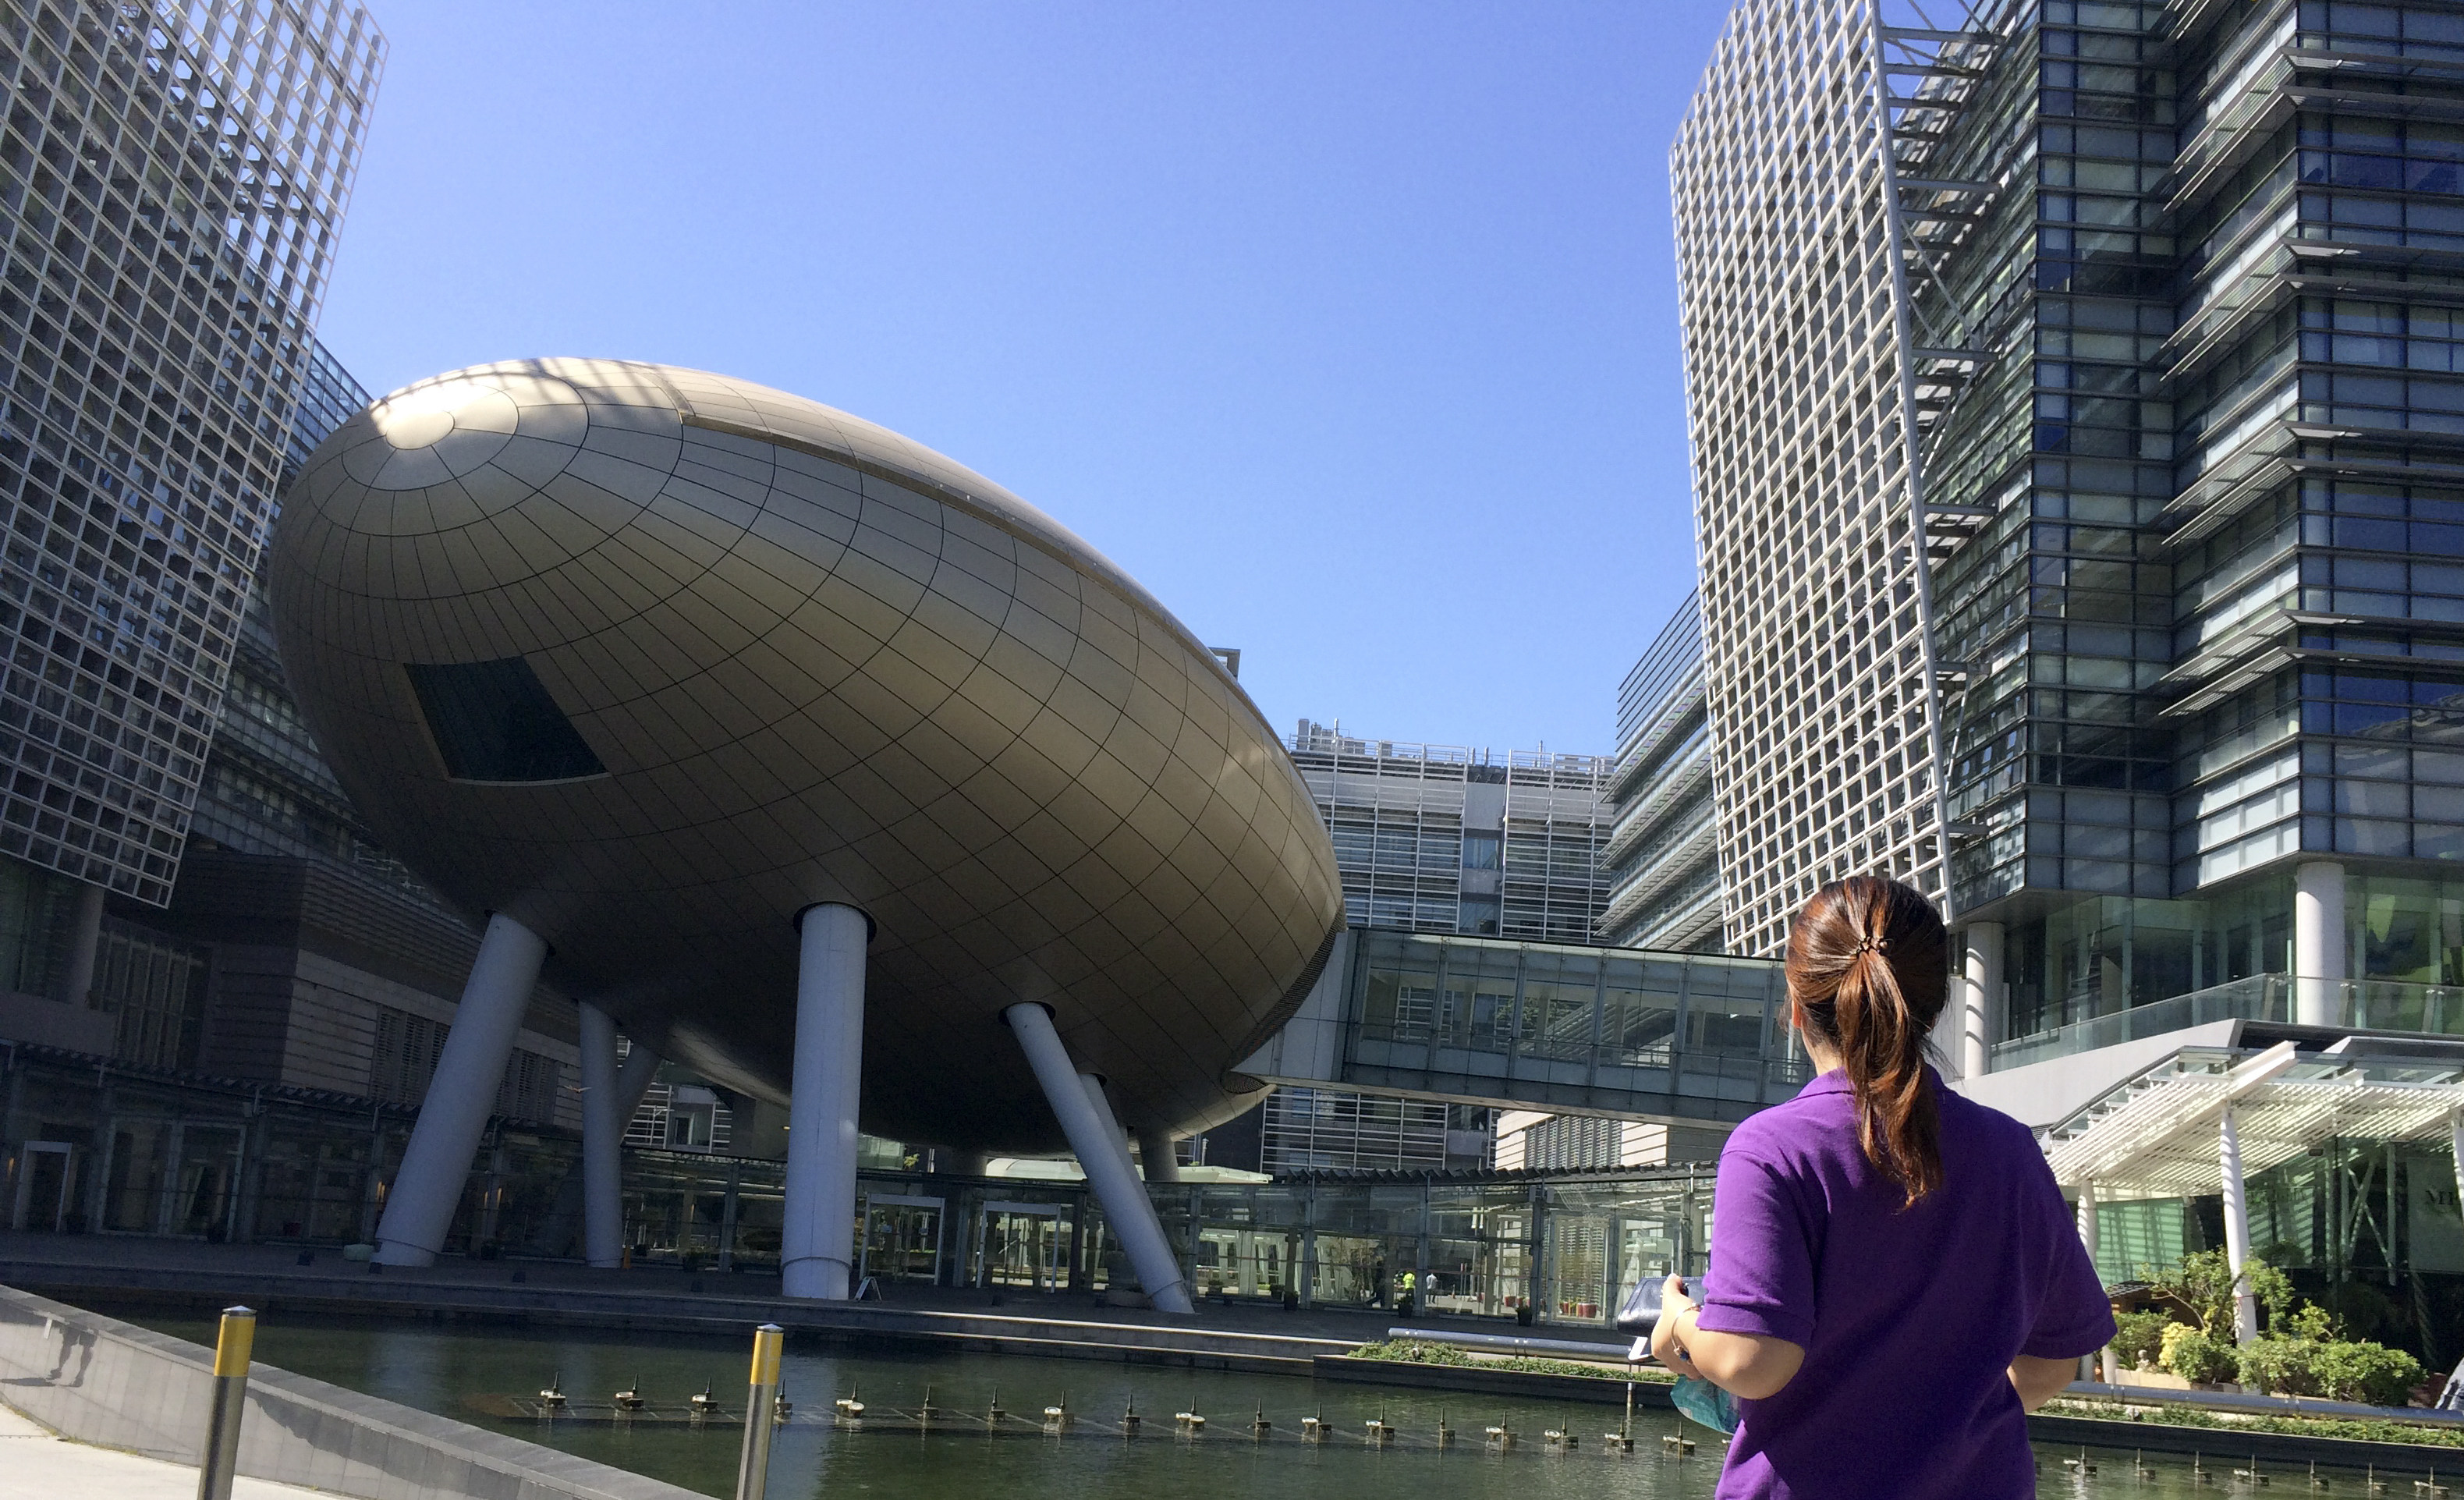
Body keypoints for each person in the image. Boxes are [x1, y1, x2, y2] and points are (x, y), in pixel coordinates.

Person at [1650, 875, 2112, 1498]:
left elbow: (1748, 1362)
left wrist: (1678, 1321)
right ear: (1934, 1005)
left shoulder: (1771, 1148)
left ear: (1793, 1003)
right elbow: (2054, 1358)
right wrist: (1940, 1415)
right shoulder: (2011, 1151)